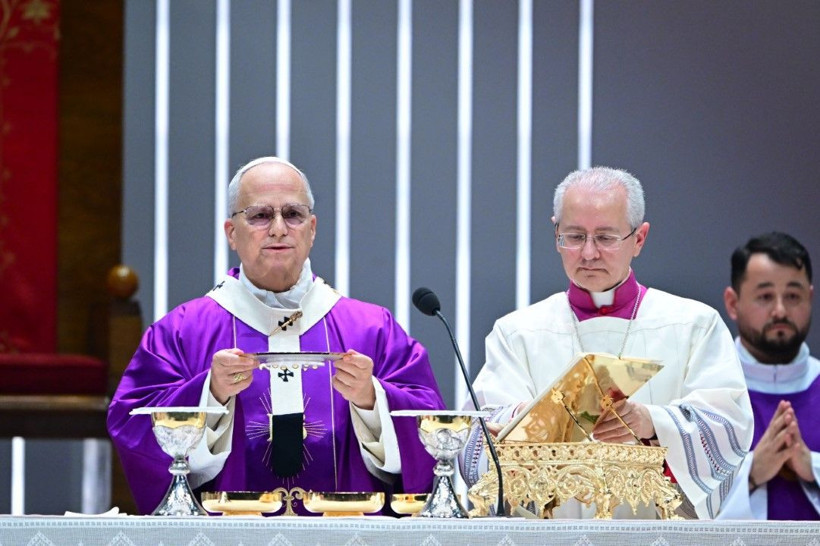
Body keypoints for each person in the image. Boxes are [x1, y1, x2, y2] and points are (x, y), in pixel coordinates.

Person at [107, 156, 445, 515]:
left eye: (294, 215)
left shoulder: (371, 329)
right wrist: (211, 394)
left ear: (312, 229)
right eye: (260, 215)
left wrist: (372, 400)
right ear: (231, 233)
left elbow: (435, 429)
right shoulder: (182, 331)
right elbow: (131, 424)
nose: (279, 228)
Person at [460, 166, 753, 519]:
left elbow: (728, 426)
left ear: (639, 239)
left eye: (605, 238)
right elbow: (476, 437)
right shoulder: (518, 332)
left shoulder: (694, 325)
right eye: (574, 236)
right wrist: (531, 420)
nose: (588, 253)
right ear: (556, 234)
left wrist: (650, 422)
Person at [718, 232, 819, 520]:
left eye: (793, 296)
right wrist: (752, 472)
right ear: (733, 303)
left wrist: (810, 466)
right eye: (764, 296)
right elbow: (675, 498)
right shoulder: (706, 389)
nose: (780, 310)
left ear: (810, 298)